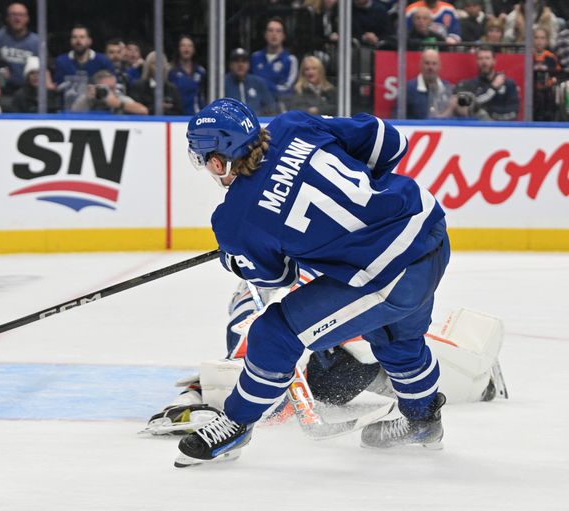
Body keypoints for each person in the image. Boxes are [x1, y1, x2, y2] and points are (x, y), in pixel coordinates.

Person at [176, 98, 450, 467]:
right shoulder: (294, 124)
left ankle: (237, 422)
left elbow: (277, 276)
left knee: (275, 333)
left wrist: (234, 260)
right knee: (395, 336)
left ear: (216, 159)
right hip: (428, 228)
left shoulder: (235, 219)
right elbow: (389, 142)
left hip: (390, 276)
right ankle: (423, 420)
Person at [54, 24, 115, 108]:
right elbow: (58, 87)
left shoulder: (103, 60)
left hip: (99, 107)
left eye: (82, 37)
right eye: (74, 37)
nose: (78, 41)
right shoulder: (61, 61)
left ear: (89, 41)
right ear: (70, 40)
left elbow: (111, 85)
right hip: (68, 109)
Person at [454, 45, 519, 121]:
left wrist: (491, 115)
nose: (484, 62)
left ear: (494, 60)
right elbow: (472, 107)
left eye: (487, 58)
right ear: (477, 61)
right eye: (480, 58)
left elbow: (513, 113)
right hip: (479, 129)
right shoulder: (471, 84)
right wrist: (493, 87)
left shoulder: (508, 84)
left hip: (503, 129)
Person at [0, 2, 40, 93]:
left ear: (27, 18)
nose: (17, 19)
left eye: (21, 15)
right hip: (1, 91)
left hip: (27, 93)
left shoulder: (36, 42)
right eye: (13, 15)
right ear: (7, 18)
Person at [249, 17, 298, 106]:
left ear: (284, 35)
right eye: (270, 30)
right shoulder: (255, 57)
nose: (274, 34)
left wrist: (262, 84)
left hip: (280, 107)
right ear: (265, 35)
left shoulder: (291, 60)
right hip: (256, 106)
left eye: (278, 31)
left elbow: (286, 89)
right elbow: (249, 84)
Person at [396, 49, 453, 119]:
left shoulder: (447, 88)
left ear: (439, 66)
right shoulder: (408, 89)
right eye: (427, 63)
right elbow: (397, 117)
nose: (430, 67)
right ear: (420, 65)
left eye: (434, 63)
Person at [224, 48, 278, 116]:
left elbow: (271, 106)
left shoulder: (258, 83)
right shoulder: (223, 83)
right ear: (230, 65)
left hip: (258, 123)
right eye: (236, 61)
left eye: (244, 61)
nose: (240, 64)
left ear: (248, 65)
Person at [69, 69, 148, 115]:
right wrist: (87, 100)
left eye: (112, 88)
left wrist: (118, 104)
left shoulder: (119, 98)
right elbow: (72, 115)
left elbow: (143, 111)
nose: (109, 92)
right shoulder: (87, 98)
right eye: (105, 88)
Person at [129, 50, 184, 115]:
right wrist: (157, 107)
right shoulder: (138, 86)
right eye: (154, 63)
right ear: (148, 66)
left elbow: (179, 112)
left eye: (161, 63)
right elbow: (135, 110)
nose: (158, 66)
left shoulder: (172, 89)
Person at [168, 35, 206, 115]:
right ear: (178, 49)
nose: (186, 48)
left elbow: (203, 95)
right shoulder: (171, 71)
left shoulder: (200, 71)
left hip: (196, 115)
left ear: (194, 50)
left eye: (189, 46)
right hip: (176, 116)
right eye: (183, 45)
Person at [532, 27, 561, 122]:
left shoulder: (551, 57)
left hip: (548, 94)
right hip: (532, 94)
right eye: (536, 37)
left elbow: (558, 74)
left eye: (542, 38)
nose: (539, 41)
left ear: (547, 41)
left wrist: (551, 81)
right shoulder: (528, 56)